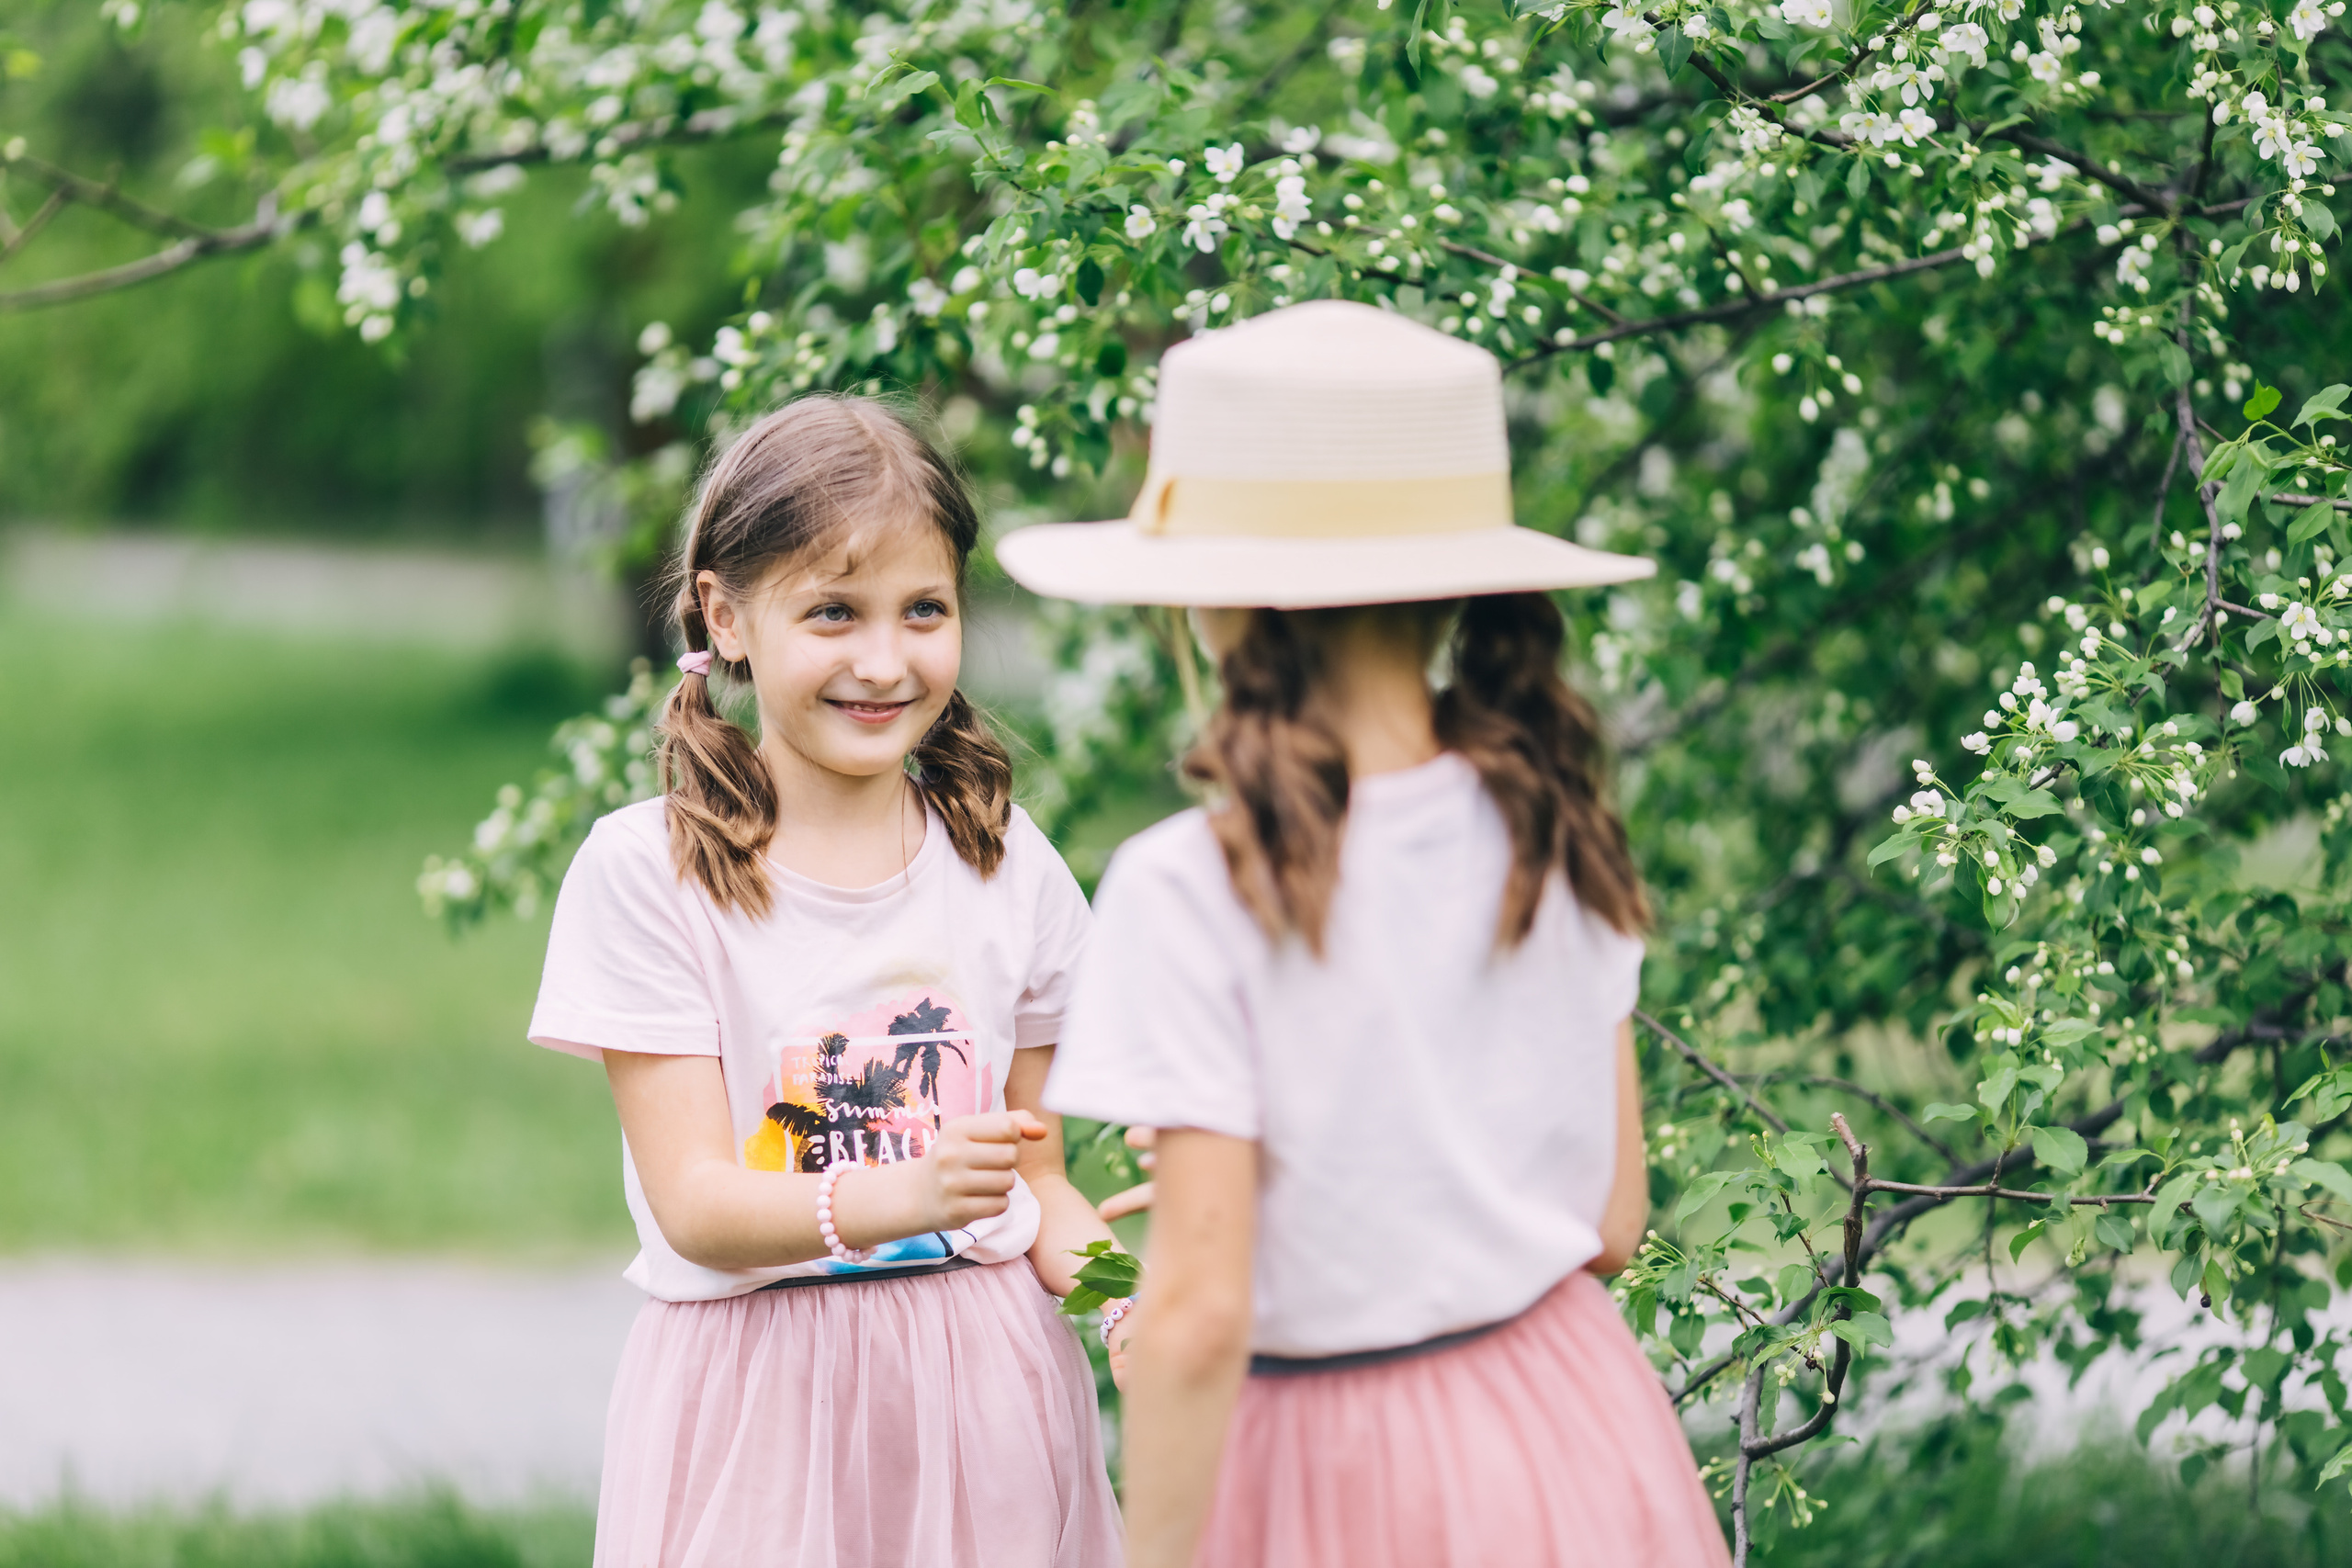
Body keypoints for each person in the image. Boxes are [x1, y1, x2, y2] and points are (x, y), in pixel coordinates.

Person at [1001, 300, 1731, 1568]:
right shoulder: (1554, 820)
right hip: (1572, 1427)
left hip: (1335, 1465)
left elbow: (1196, 1319)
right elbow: (1611, 1221)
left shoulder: (1193, 884)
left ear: (1218, 604)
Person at [527, 396, 1125, 1568]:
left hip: (987, 1404)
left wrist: (1127, 1296)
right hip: (763, 1407)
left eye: (924, 610)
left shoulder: (1009, 865)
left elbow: (1040, 1178)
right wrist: (907, 1192)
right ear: (726, 617)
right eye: (834, 612)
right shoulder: (649, 874)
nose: (885, 661)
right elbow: (699, 1206)